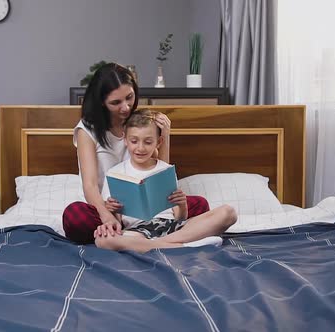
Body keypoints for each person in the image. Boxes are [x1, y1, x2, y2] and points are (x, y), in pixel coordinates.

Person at [62, 63, 210, 244]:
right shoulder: (87, 130)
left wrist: (165, 135)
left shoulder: (138, 122)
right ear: (101, 101)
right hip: (109, 208)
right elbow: (90, 186)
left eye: (129, 97)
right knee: (75, 216)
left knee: (200, 204)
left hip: (148, 208)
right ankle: (155, 235)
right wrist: (107, 216)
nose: (125, 107)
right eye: (116, 102)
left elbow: (159, 173)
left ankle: (133, 237)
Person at [95, 109, 237, 253]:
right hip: (137, 232)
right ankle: (183, 245)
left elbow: (180, 217)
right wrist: (112, 210)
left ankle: (158, 244)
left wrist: (182, 204)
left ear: (159, 142)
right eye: (134, 141)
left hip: (172, 227)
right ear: (125, 140)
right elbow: (117, 223)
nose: (140, 148)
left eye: (148, 142)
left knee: (228, 212)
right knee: (102, 240)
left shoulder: (165, 169)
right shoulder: (114, 174)